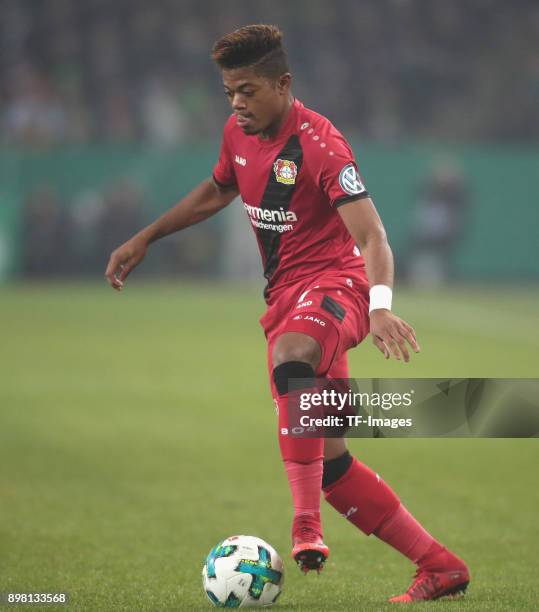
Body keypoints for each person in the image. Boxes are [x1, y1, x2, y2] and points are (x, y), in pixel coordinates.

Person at [105, 24, 469, 602]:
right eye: (230, 93)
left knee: (292, 354)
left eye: (248, 90)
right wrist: (147, 236)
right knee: (332, 467)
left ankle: (305, 527)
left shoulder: (322, 146)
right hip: (286, 299)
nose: (237, 104)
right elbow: (219, 189)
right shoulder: (237, 132)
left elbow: (374, 236)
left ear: (283, 84)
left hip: (338, 288)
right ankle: (440, 565)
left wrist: (379, 309)